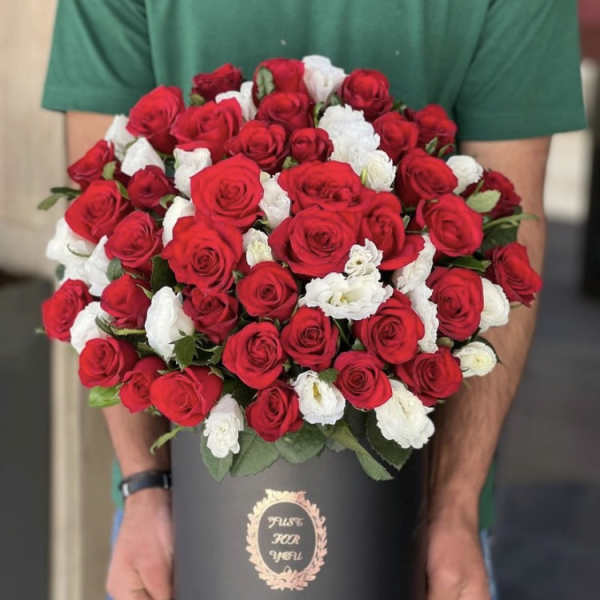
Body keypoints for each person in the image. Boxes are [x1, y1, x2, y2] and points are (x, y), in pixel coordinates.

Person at [42, 1, 586, 599]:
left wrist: (453, 507)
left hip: (411, 524)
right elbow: (100, 241)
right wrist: (144, 489)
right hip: (184, 522)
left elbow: (506, 247)